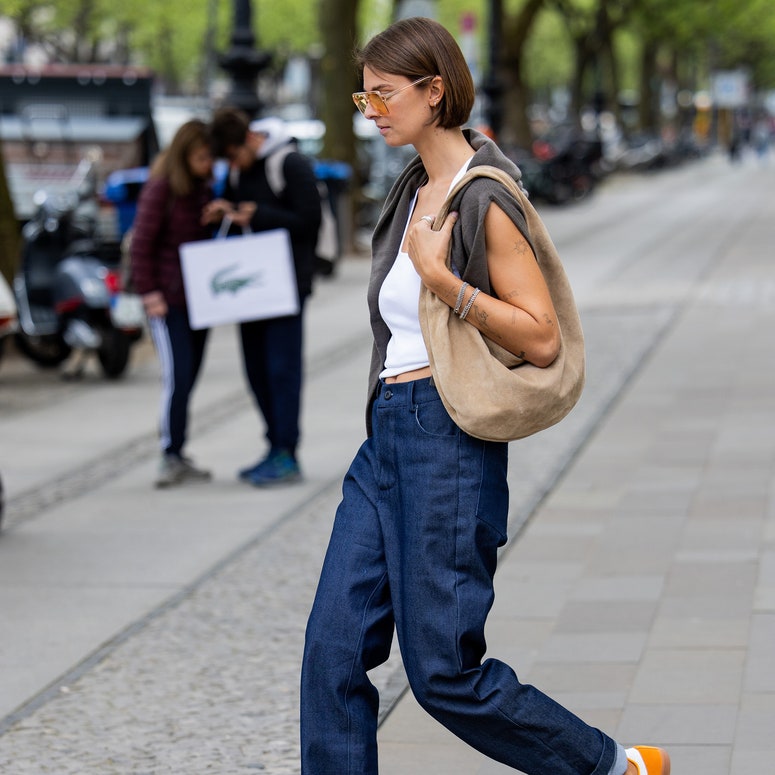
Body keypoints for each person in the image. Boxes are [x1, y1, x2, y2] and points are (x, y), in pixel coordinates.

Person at [300, 17, 670, 775]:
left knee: (443, 674)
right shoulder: (410, 189)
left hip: (447, 438)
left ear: (434, 92)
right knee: (332, 650)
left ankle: (611, 766)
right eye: (360, 93)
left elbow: (540, 337)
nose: (368, 108)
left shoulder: (483, 198)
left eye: (383, 93)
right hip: (387, 437)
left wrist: (443, 282)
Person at [205, 110, 321, 487]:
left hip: (286, 284)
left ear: (250, 140)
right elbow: (235, 209)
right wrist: (226, 210)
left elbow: (310, 220)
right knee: (256, 371)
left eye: (234, 156)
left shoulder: (290, 162)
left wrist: (261, 215)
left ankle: (288, 452)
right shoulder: (239, 170)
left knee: (282, 370)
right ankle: (274, 446)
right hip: (251, 285)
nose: (232, 165)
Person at [130, 120, 215, 488]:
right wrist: (150, 294)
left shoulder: (203, 189)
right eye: (200, 157)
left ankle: (178, 452)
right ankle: (170, 454)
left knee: (190, 376)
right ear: (184, 155)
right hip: (169, 302)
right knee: (177, 379)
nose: (207, 164)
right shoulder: (161, 188)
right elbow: (140, 245)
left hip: (199, 300)